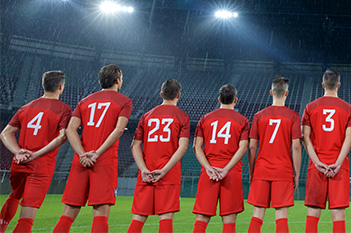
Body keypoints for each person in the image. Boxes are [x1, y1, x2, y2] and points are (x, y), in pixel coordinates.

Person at [53, 64, 132, 233]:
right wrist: (97, 153)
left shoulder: (85, 101)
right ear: (118, 81)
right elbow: (118, 130)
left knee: (68, 213)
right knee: (101, 212)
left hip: (81, 161)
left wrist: (82, 154)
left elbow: (70, 129)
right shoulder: (124, 101)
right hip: (104, 161)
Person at [0, 71, 72, 233]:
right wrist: (37, 154)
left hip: (18, 164)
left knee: (14, 196)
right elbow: (62, 137)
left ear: (43, 85)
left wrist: (18, 152)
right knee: (27, 214)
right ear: (61, 87)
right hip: (40, 166)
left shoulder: (26, 107)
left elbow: (5, 133)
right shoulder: (64, 109)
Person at [126, 79, 190, 233]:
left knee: (138, 218)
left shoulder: (147, 116)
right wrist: (164, 170)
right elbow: (182, 147)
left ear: (161, 94)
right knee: (166, 219)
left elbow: (135, 145)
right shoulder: (182, 117)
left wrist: (143, 169)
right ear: (178, 95)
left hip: (147, 172)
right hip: (169, 173)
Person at [302, 70, 351, 233]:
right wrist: (337, 164)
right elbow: (349, 138)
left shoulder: (310, 107)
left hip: (316, 164)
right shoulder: (348, 108)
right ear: (339, 85)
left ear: (323, 85)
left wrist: (317, 162)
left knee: (313, 210)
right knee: (338, 212)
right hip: (339, 166)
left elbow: (305, 138)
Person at [192, 84, 249, 233]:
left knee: (202, 218)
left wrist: (208, 168)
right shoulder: (242, 120)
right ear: (235, 100)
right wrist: (226, 169)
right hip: (231, 172)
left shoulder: (205, 118)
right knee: (229, 220)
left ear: (219, 99)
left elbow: (196, 147)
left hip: (209, 171)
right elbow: (243, 147)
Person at [247, 77, 302, 233]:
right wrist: (296, 173)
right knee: (281, 217)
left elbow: (252, 146)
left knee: (257, 215)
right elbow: (296, 147)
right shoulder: (293, 116)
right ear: (287, 93)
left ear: (271, 92)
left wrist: (252, 171)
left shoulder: (259, 116)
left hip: (261, 170)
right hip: (283, 171)